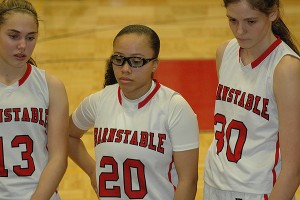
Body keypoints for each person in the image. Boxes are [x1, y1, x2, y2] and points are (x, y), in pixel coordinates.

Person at [68, 24, 199, 200]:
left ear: (154, 65)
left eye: (136, 61)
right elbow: (67, 135)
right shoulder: (99, 101)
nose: (125, 69)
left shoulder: (175, 108)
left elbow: (188, 181)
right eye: (118, 59)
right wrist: (92, 170)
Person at [204, 0, 300, 199]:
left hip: (256, 191)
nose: (239, 31)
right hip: (214, 183)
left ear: (273, 14)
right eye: (232, 20)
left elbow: (294, 167)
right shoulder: (225, 52)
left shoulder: (286, 69)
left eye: (251, 21)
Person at [0, 0, 69, 199]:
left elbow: (58, 158)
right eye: (13, 36)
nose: (23, 45)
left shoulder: (51, 86)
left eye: (30, 37)